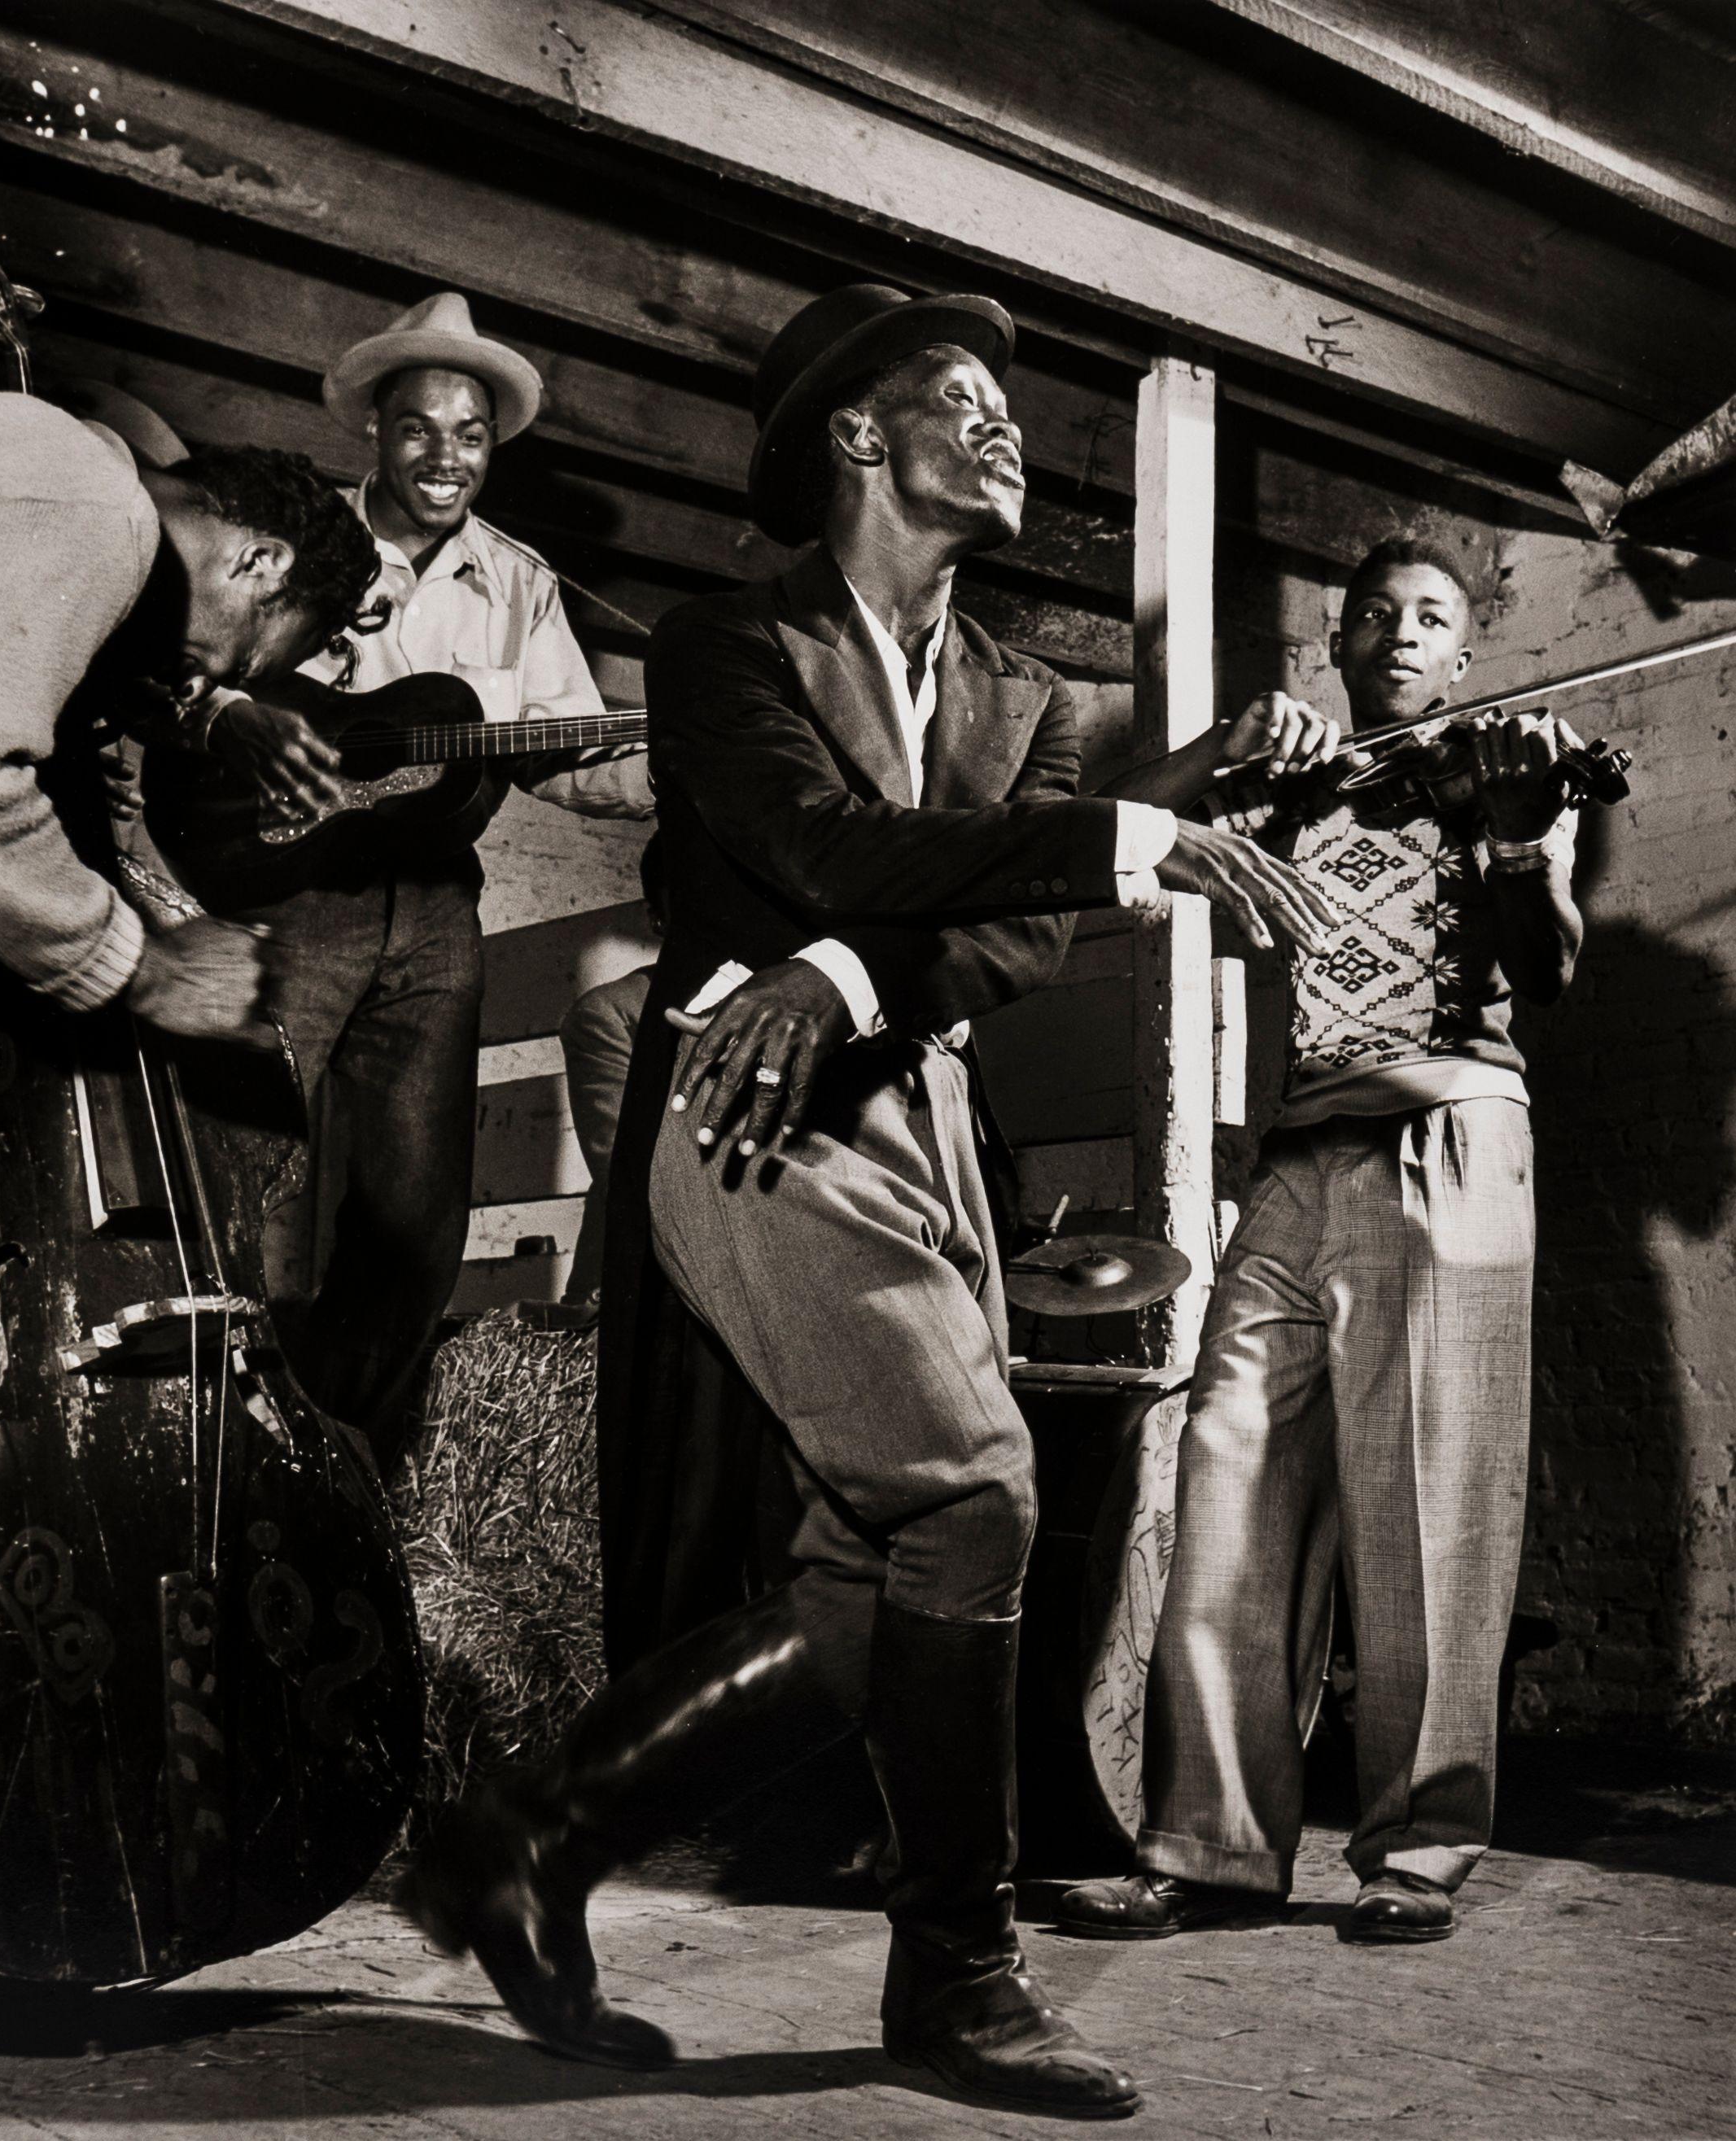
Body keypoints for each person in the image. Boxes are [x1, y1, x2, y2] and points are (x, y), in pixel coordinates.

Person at [400, 282, 1339, 2118]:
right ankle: (959, 1975)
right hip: (751, 1113)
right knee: (975, 1490)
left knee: (864, 1574)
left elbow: (1006, 931)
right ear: (855, 432)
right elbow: (816, 844)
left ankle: (525, 1837)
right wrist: (1115, 841)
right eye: (967, 400)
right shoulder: (718, 643)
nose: (1007, 431)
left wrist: (837, 979)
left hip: (904, 1107)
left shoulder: (1023, 695)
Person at [0, 384, 380, 2141]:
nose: (202, 693)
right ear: (261, 561)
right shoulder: (83, 491)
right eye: (260, 657)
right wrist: (130, 967)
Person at [1055, 540, 1585, 1948]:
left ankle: (1419, 1845)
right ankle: (1211, 1846)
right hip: (1296, 1160)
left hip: (1447, 1137)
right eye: (1374, 616)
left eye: (1430, 620)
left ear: (1461, 656)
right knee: (1229, 1475)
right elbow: (1112, 829)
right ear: (1337, 647)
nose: (1399, 636)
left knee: (1431, 1506)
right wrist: (1226, 745)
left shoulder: (1507, 768)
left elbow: (1546, 966)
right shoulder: (1292, 787)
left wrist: (1523, 836)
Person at [142, 292, 652, 1457]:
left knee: (416, 1218)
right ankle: (200, 1447)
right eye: (419, 427)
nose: (446, 455)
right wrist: (230, 715)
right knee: (243, 1174)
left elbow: (569, 759)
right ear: (374, 429)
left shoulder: (518, 582)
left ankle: (337, 1458)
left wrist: (680, 760)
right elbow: (172, 659)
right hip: (281, 884)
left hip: (434, 911)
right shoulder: (292, 532)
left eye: (470, 433)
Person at [539, 834, 667, 1326]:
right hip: (640, 1289)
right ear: (657, 917)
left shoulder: (800, 1006)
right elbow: (629, 1176)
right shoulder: (613, 1015)